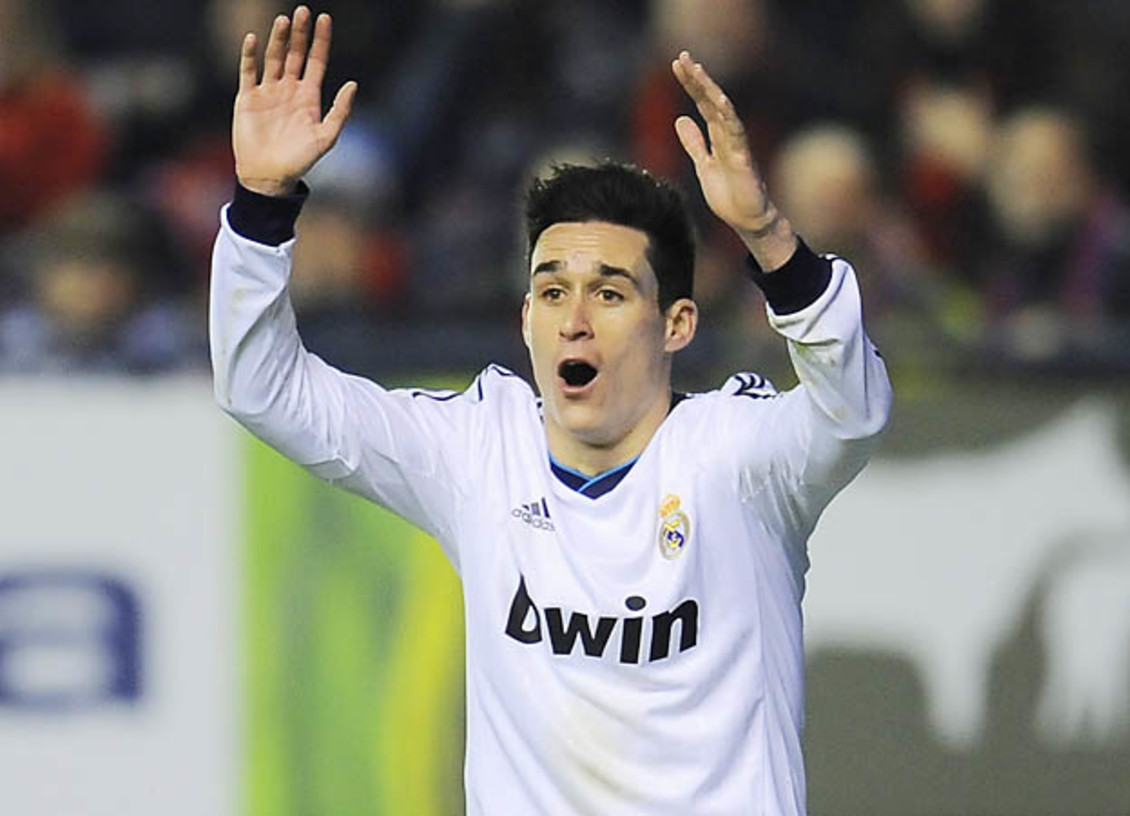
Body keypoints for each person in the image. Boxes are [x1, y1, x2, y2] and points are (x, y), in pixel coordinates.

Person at [210, 7, 891, 815]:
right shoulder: (475, 451)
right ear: (525, 319)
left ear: (676, 323)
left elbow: (851, 409)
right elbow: (261, 387)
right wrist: (261, 204)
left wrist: (768, 236)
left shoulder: (737, 457)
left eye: (609, 292)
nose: (574, 318)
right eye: (552, 291)